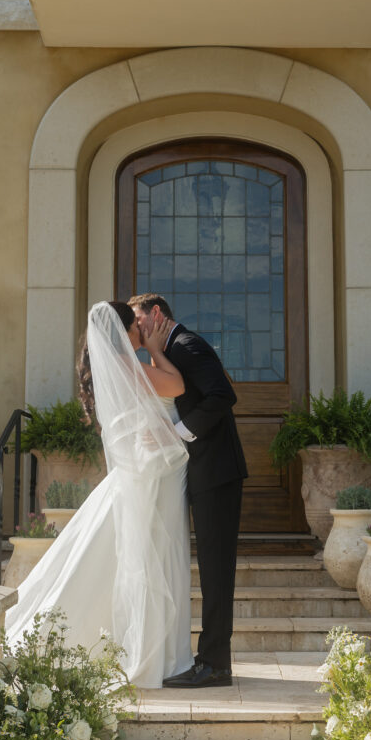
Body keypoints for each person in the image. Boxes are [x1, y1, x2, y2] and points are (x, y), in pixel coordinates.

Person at [5, 300, 194, 689]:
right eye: (137, 326)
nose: (144, 330)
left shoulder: (115, 367)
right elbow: (176, 386)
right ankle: (157, 656)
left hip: (149, 471)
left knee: (143, 554)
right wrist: (157, 351)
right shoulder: (129, 365)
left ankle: (162, 653)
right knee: (154, 555)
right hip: (153, 475)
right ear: (127, 333)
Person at [129, 293, 248, 689]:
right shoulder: (167, 350)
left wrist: (177, 433)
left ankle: (215, 664)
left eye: (138, 320)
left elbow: (222, 396)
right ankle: (208, 658)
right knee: (205, 569)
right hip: (196, 472)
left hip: (217, 472)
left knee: (216, 571)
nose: (136, 329)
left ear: (157, 314)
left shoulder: (186, 344)